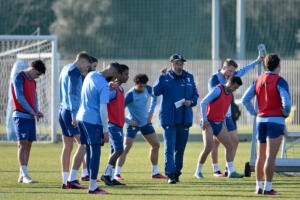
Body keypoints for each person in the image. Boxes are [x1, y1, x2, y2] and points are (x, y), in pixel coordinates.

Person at [242, 54, 291, 195]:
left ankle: (258, 187)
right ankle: (268, 188)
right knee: (270, 156)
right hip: (275, 120)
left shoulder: (258, 80)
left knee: (260, 156)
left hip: (260, 121)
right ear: (278, 65)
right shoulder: (280, 81)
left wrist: (254, 112)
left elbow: (245, 99)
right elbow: (286, 102)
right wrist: (286, 112)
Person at [208, 57, 263, 177]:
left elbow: (243, 71)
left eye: (233, 72)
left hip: (227, 116)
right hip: (216, 116)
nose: (231, 74)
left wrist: (257, 61)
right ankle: (216, 170)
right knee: (215, 143)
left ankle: (229, 169)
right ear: (223, 68)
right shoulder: (214, 79)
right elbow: (213, 98)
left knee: (235, 141)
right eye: (229, 71)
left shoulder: (232, 75)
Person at [76, 62, 122, 194]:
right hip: (92, 120)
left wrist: (108, 88)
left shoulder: (91, 75)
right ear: (113, 73)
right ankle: (93, 187)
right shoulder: (103, 85)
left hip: (81, 117)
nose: (114, 81)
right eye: (115, 78)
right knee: (95, 152)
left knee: (89, 151)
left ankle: (92, 182)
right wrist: (105, 130)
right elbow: (103, 109)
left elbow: (92, 93)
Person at [153, 54, 199, 184]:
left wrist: (191, 102)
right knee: (169, 147)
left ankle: (177, 172)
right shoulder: (165, 77)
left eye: (181, 64)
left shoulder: (189, 77)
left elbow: (195, 95)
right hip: (169, 118)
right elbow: (155, 92)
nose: (179, 66)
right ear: (171, 64)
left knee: (180, 149)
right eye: (177, 63)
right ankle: (170, 174)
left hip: (184, 119)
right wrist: (160, 77)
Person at [114, 74, 166, 182]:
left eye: (144, 86)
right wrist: (129, 121)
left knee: (156, 145)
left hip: (145, 123)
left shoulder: (147, 88)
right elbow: (118, 111)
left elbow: (155, 97)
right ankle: (117, 173)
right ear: (135, 84)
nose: (142, 88)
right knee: (125, 148)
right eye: (140, 86)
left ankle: (155, 172)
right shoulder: (129, 95)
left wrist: (151, 112)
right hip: (133, 124)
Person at [195, 76, 244, 179]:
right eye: (234, 87)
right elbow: (203, 102)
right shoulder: (218, 90)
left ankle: (231, 171)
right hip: (208, 122)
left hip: (219, 123)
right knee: (208, 147)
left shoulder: (230, 94)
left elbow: (226, 110)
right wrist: (204, 119)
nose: (235, 90)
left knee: (230, 146)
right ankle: (198, 171)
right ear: (229, 83)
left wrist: (224, 124)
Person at [59, 51, 91, 189]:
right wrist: (74, 114)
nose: (86, 70)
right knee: (84, 143)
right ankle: (72, 179)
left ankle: (65, 181)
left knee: (67, 147)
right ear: (82, 61)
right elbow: (72, 93)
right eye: (87, 66)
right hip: (72, 112)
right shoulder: (74, 72)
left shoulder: (65, 68)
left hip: (62, 111)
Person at [11, 60, 46, 183]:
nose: (38, 76)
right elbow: (19, 97)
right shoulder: (19, 77)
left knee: (29, 144)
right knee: (22, 144)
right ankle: (25, 175)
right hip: (20, 116)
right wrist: (31, 111)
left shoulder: (33, 82)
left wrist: (36, 110)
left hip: (30, 116)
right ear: (32, 69)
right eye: (38, 74)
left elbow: (34, 97)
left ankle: (22, 174)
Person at [100, 64, 129, 186]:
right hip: (112, 125)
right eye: (126, 74)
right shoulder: (113, 90)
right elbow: (104, 100)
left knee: (114, 150)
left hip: (118, 125)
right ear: (119, 75)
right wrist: (108, 88)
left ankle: (111, 177)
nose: (127, 77)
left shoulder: (121, 90)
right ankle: (106, 175)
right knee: (119, 150)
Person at [80, 55, 98, 182]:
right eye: (94, 66)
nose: (94, 69)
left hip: (82, 116)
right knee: (84, 147)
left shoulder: (88, 78)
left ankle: (85, 173)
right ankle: (77, 176)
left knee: (85, 147)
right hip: (85, 117)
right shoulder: (85, 78)